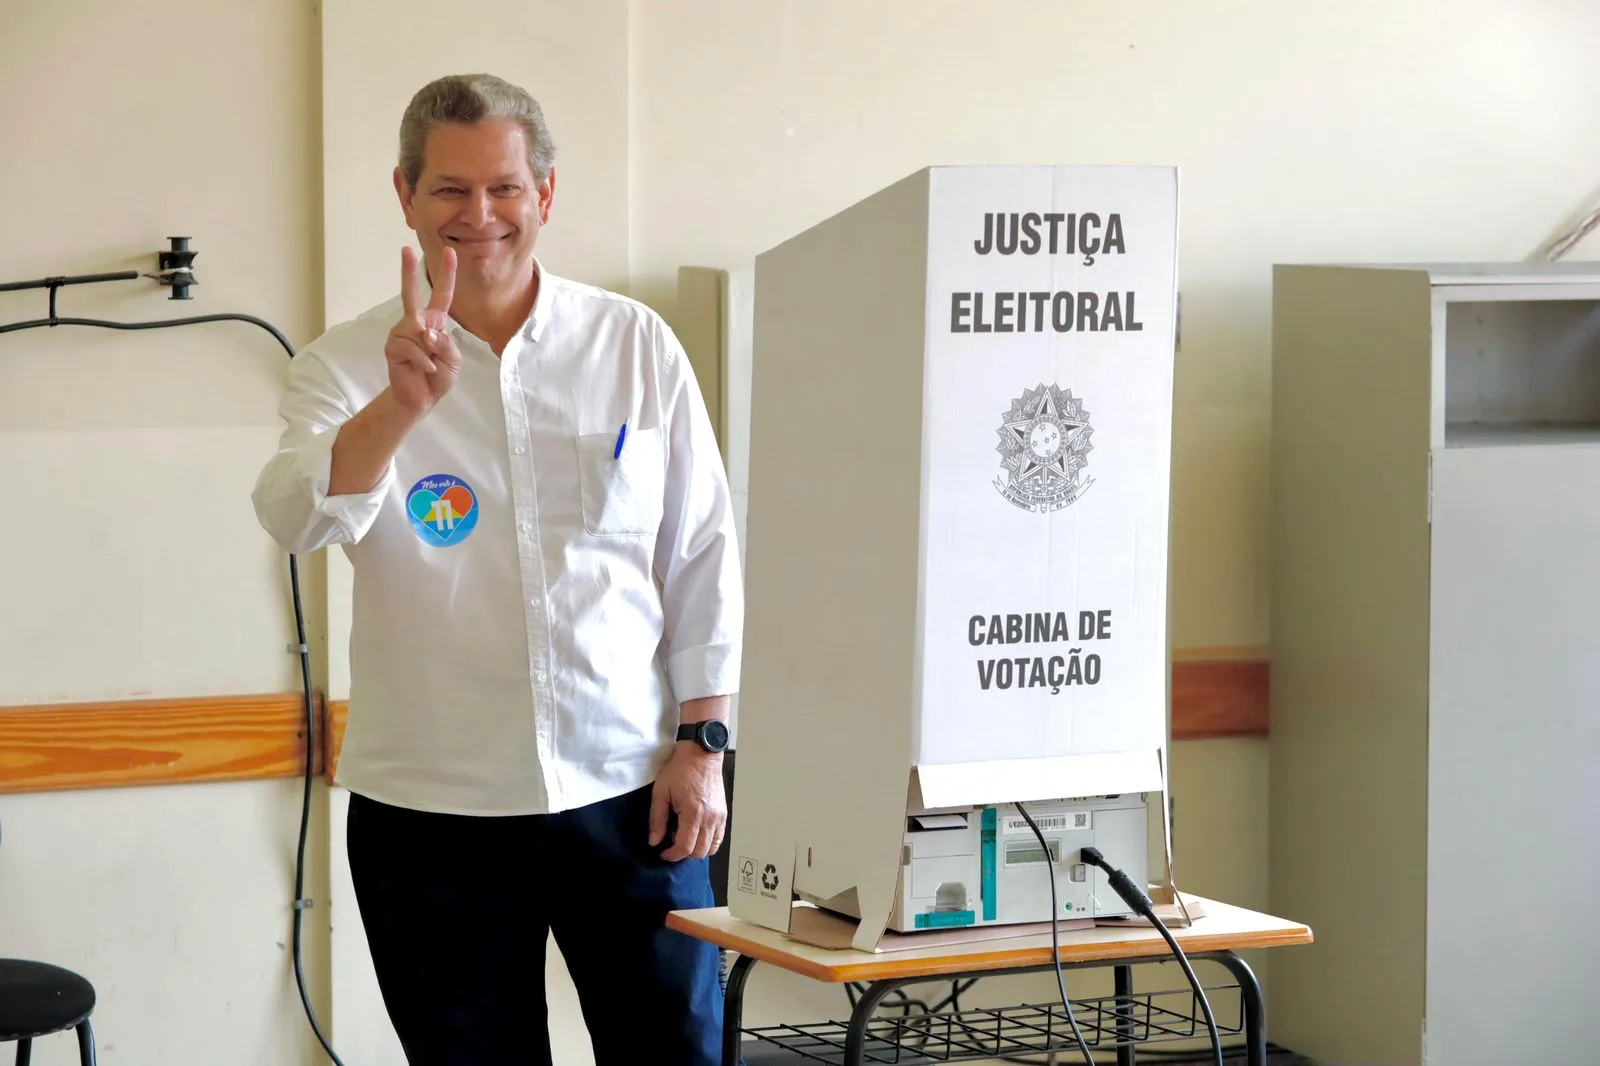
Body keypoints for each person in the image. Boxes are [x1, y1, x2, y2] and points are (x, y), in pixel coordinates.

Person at [251, 72, 742, 1066]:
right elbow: (295, 514)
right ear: (405, 194)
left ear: (545, 195)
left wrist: (705, 741)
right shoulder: (343, 365)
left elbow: (700, 551)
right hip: (433, 813)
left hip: (632, 788)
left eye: (505, 188)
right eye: (449, 190)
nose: (479, 216)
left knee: (680, 1053)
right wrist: (398, 407)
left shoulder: (633, 344)